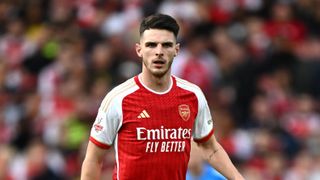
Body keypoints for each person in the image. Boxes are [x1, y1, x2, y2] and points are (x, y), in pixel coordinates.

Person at [81, 14, 244, 180]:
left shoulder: (193, 95)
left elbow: (210, 148)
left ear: (176, 50)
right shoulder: (118, 98)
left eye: (166, 45)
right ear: (139, 50)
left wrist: (238, 178)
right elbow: (94, 158)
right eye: (151, 45)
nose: (159, 52)